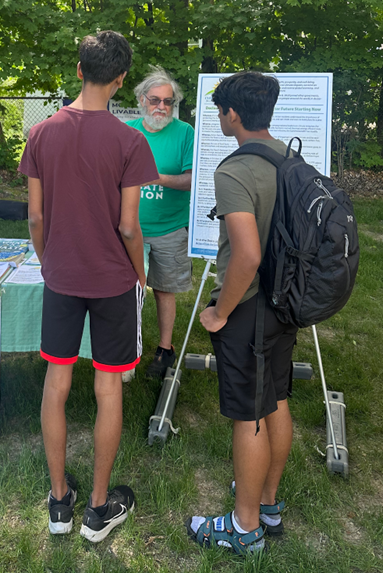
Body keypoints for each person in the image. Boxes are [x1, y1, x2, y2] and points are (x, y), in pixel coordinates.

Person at [18, 31, 159, 543]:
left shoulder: (41, 134)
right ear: (121, 81)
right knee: (107, 388)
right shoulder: (129, 141)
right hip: (112, 279)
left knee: (56, 384)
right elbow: (128, 227)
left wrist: (48, 260)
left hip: (62, 275)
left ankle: (60, 503)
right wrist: (139, 274)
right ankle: (99, 509)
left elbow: (35, 217)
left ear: (78, 69)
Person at [185, 71, 298, 554]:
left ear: (233, 114)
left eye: (219, 111)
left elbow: (246, 256)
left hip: (249, 306)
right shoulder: (291, 158)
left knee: (248, 415)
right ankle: (267, 502)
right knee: (276, 399)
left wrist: (218, 313)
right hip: (285, 302)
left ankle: (245, 527)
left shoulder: (234, 171)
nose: (218, 118)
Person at [126, 67, 195, 378]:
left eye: (168, 102)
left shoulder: (185, 133)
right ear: (142, 100)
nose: (162, 107)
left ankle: (164, 350)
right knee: (126, 291)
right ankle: (126, 347)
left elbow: (192, 180)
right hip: (130, 228)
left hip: (170, 226)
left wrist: (156, 178)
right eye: (155, 100)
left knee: (164, 290)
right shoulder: (127, 132)